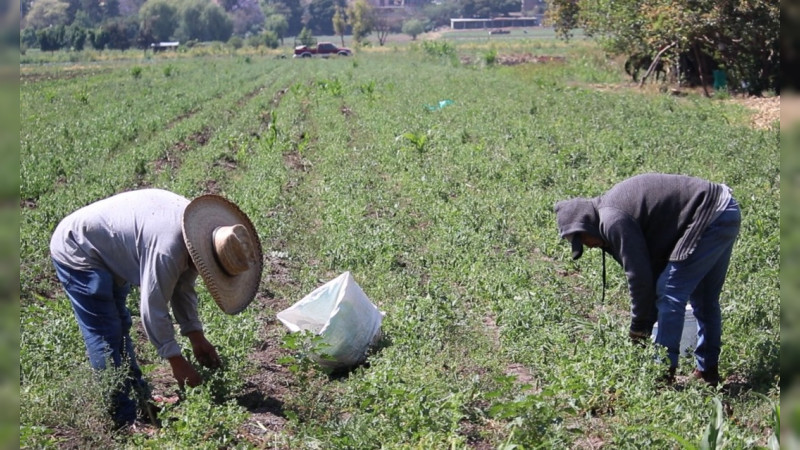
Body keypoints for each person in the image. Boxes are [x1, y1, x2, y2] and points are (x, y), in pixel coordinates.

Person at [50, 189, 263, 428]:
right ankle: (124, 419)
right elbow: (152, 308)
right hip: (78, 247)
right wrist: (176, 362)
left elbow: (182, 289)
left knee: (120, 326)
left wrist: (196, 336)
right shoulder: (168, 248)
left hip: (108, 247)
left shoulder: (197, 235)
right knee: (105, 334)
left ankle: (141, 399)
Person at [554, 173, 740, 386]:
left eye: (582, 240)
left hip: (709, 214)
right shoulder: (609, 215)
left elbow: (639, 278)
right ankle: (708, 372)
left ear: (586, 224)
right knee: (704, 299)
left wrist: (639, 328)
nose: (587, 246)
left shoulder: (613, 220)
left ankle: (662, 375)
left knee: (670, 292)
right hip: (725, 210)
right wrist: (645, 320)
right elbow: (650, 270)